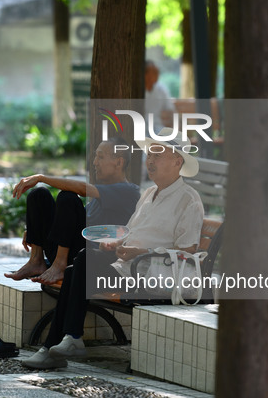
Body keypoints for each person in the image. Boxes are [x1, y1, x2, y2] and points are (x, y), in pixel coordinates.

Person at [22, 129, 204, 369]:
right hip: (126, 268)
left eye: (158, 155)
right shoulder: (149, 193)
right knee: (78, 267)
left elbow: (187, 251)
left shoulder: (188, 200)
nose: (150, 160)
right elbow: (131, 231)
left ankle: (57, 345)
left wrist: (138, 253)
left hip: (147, 277)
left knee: (82, 263)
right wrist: (116, 244)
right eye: (150, 154)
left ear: (177, 161)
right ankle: (63, 341)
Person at [4, 136, 140, 285]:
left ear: (119, 162)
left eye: (100, 157)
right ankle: (36, 261)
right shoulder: (99, 198)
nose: (95, 162)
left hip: (86, 259)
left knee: (67, 197)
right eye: (95, 157)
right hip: (70, 250)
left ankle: (60, 265)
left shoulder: (129, 191)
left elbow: (81, 190)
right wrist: (35, 228)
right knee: (39, 195)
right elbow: (69, 222)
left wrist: (40, 178)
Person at [145, 60, 174, 134]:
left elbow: (170, 110)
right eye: (154, 72)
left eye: (157, 72)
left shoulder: (162, 89)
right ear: (145, 74)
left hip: (158, 129)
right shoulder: (137, 91)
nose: (157, 74)